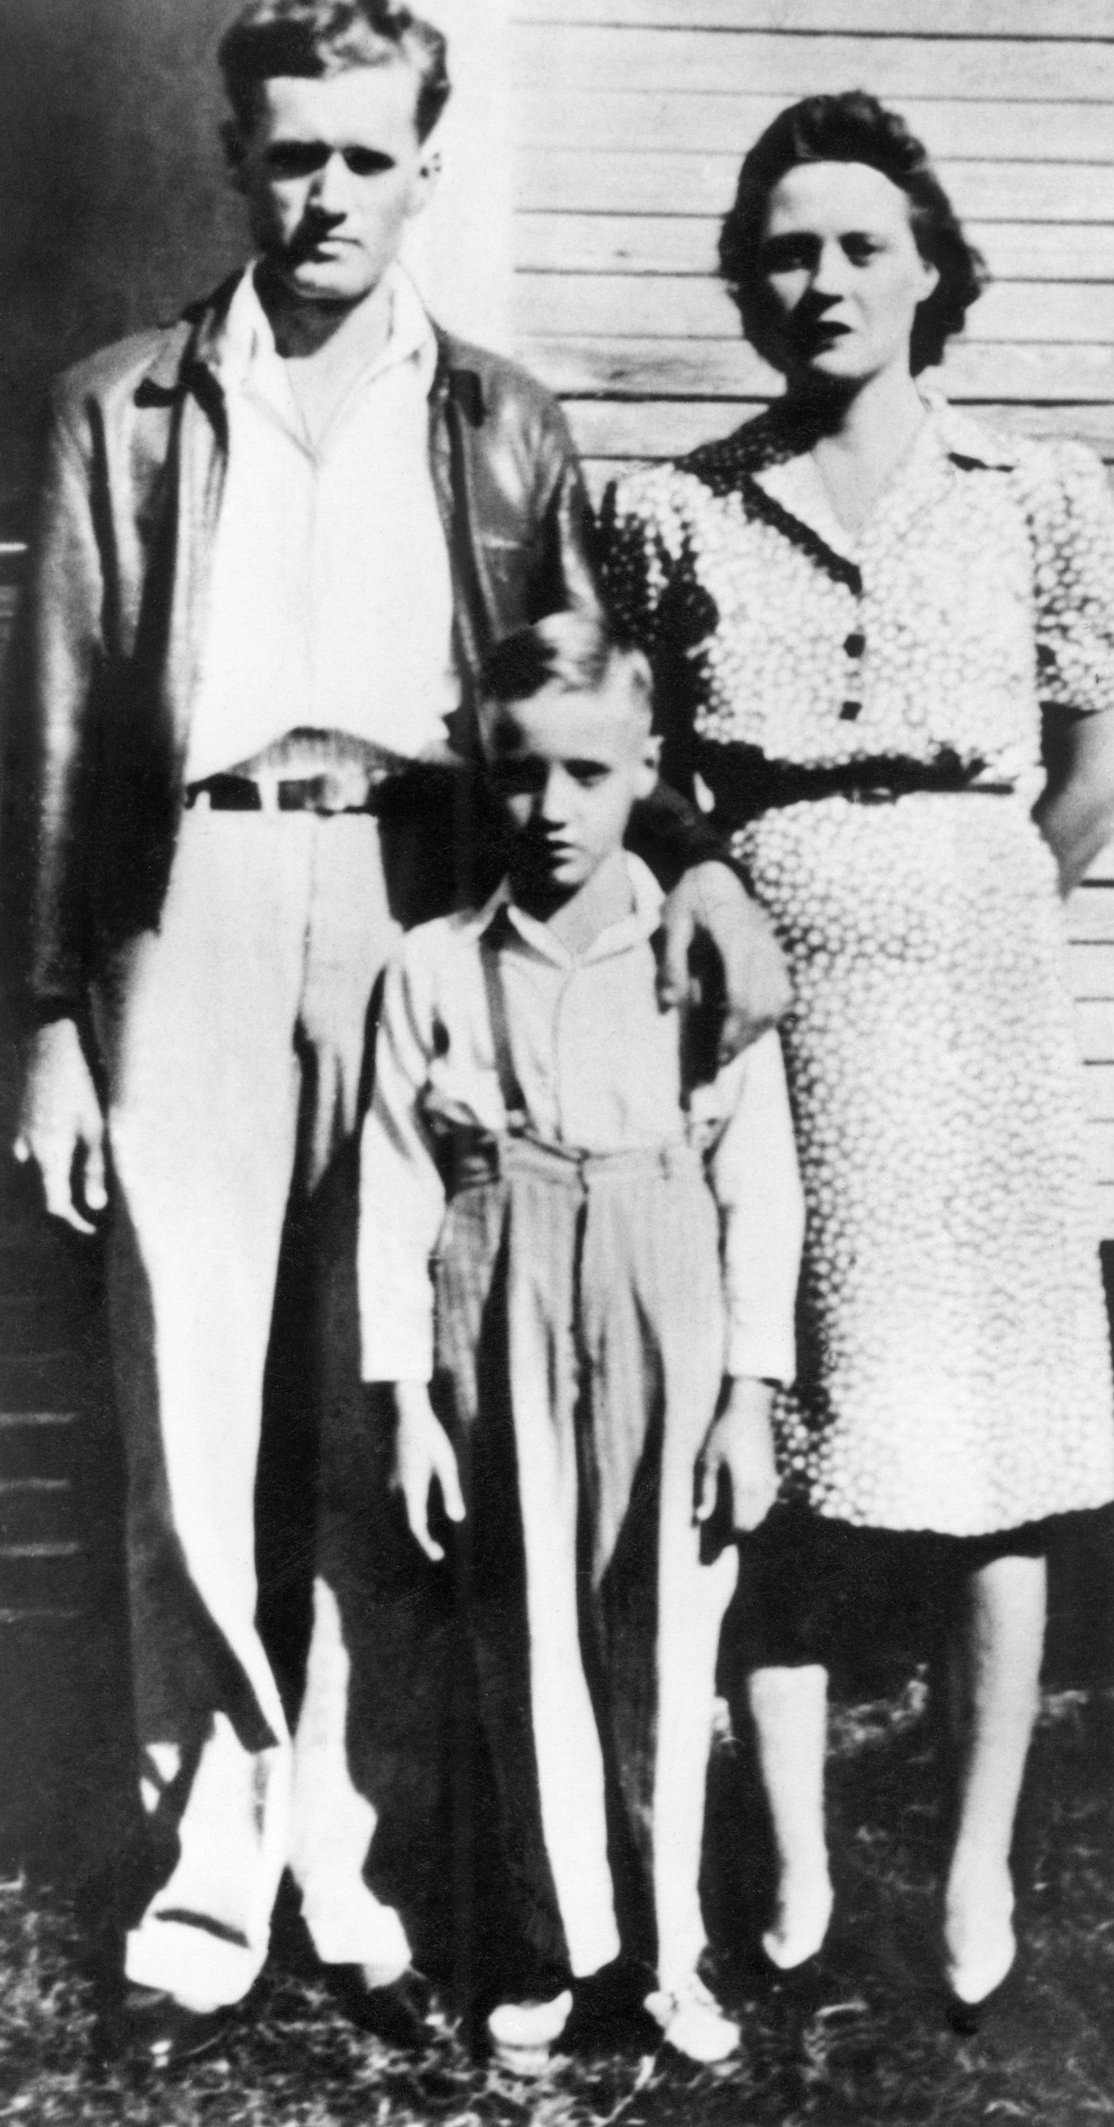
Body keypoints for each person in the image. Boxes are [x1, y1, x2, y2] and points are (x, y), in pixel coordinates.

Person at [0, 0, 789, 2064]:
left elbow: (581, 681)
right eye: (292, 153)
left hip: (424, 900)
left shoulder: (502, 413)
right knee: (186, 1390)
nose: (328, 191)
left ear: (423, 166)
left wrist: (688, 850)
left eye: (368, 154)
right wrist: (52, 1019)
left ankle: (351, 1846)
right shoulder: (124, 403)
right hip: (194, 898)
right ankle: (204, 1848)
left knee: (375, 1392)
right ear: (233, 160)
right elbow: (67, 726)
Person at [600, 91, 1114, 2025]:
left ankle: (981, 1857)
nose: (819, 280)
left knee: (993, 1454)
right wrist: (718, 885)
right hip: (762, 1018)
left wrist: (969, 904)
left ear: (931, 272)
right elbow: (627, 769)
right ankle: (806, 1852)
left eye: (859, 246)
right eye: (785, 247)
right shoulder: (667, 508)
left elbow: (1088, 774)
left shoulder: (1036, 490)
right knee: (791, 1438)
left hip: (979, 1019)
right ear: (747, 278)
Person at [357, 612, 804, 2066]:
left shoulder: (699, 973)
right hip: (502, 1309)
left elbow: (761, 1183)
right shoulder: (429, 970)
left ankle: (673, 1951)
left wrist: (750, 1392)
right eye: (517, 775)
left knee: (669, 1630)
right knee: (526, 1627)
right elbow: (393, 1196)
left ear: (645, 773)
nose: (550, 811)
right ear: (481, 779)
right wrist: (409, 1405)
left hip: (664, 1293)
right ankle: (558, 1946)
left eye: (588, 774)